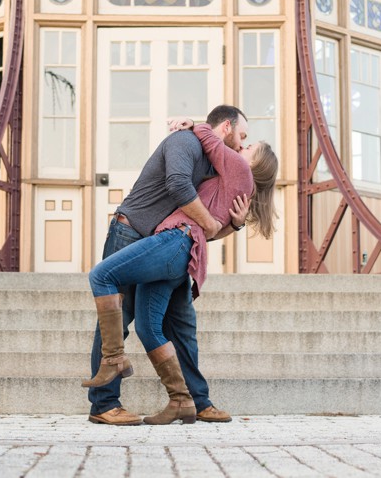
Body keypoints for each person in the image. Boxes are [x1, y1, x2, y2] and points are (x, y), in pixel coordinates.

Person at [85, 121, 278, 424]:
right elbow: (184, 192)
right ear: (225, 126)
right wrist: (194, 125)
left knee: (175, 324)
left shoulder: (229, 168)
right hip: (138, 233)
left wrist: (229, 224)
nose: (243, 145)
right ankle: (110, 403)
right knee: (133, 320)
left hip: (171, 244)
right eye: (243, 137)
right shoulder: (190, 146)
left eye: (248, 146)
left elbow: (207, 226)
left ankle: (188, 400)